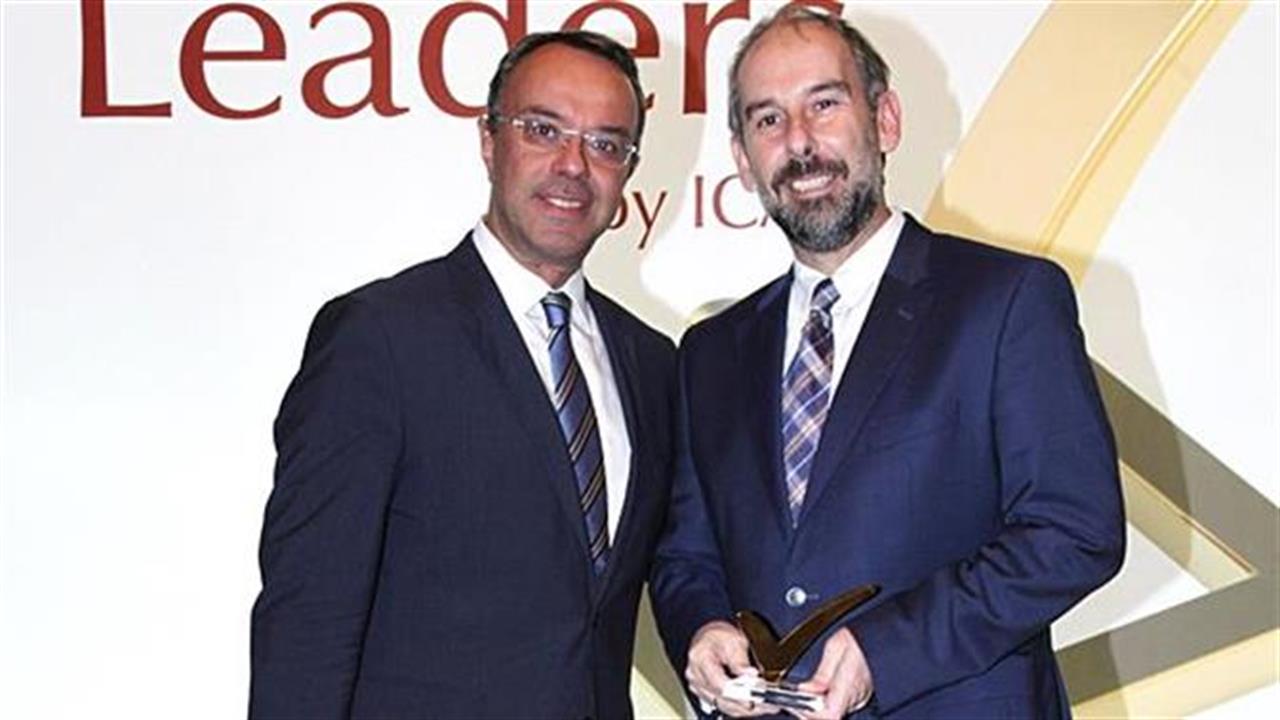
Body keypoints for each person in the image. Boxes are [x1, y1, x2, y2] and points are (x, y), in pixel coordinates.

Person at [650, 7, 1125, 719]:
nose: (800, 142)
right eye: (768, 119)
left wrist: (890, 651)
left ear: (886, 120)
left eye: (825, 104)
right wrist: (703, 629)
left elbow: (1075, 530)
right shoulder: (711, 354)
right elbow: (687, 557)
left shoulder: (1006, 301)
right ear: (743, 159)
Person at [249, 31, 676, 720]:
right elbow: (307, 615)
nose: (573, 165)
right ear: (488, 140)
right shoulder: (379, 339)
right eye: (543, 130)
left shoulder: (651, 363)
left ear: (627, 170)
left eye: (605, 143)